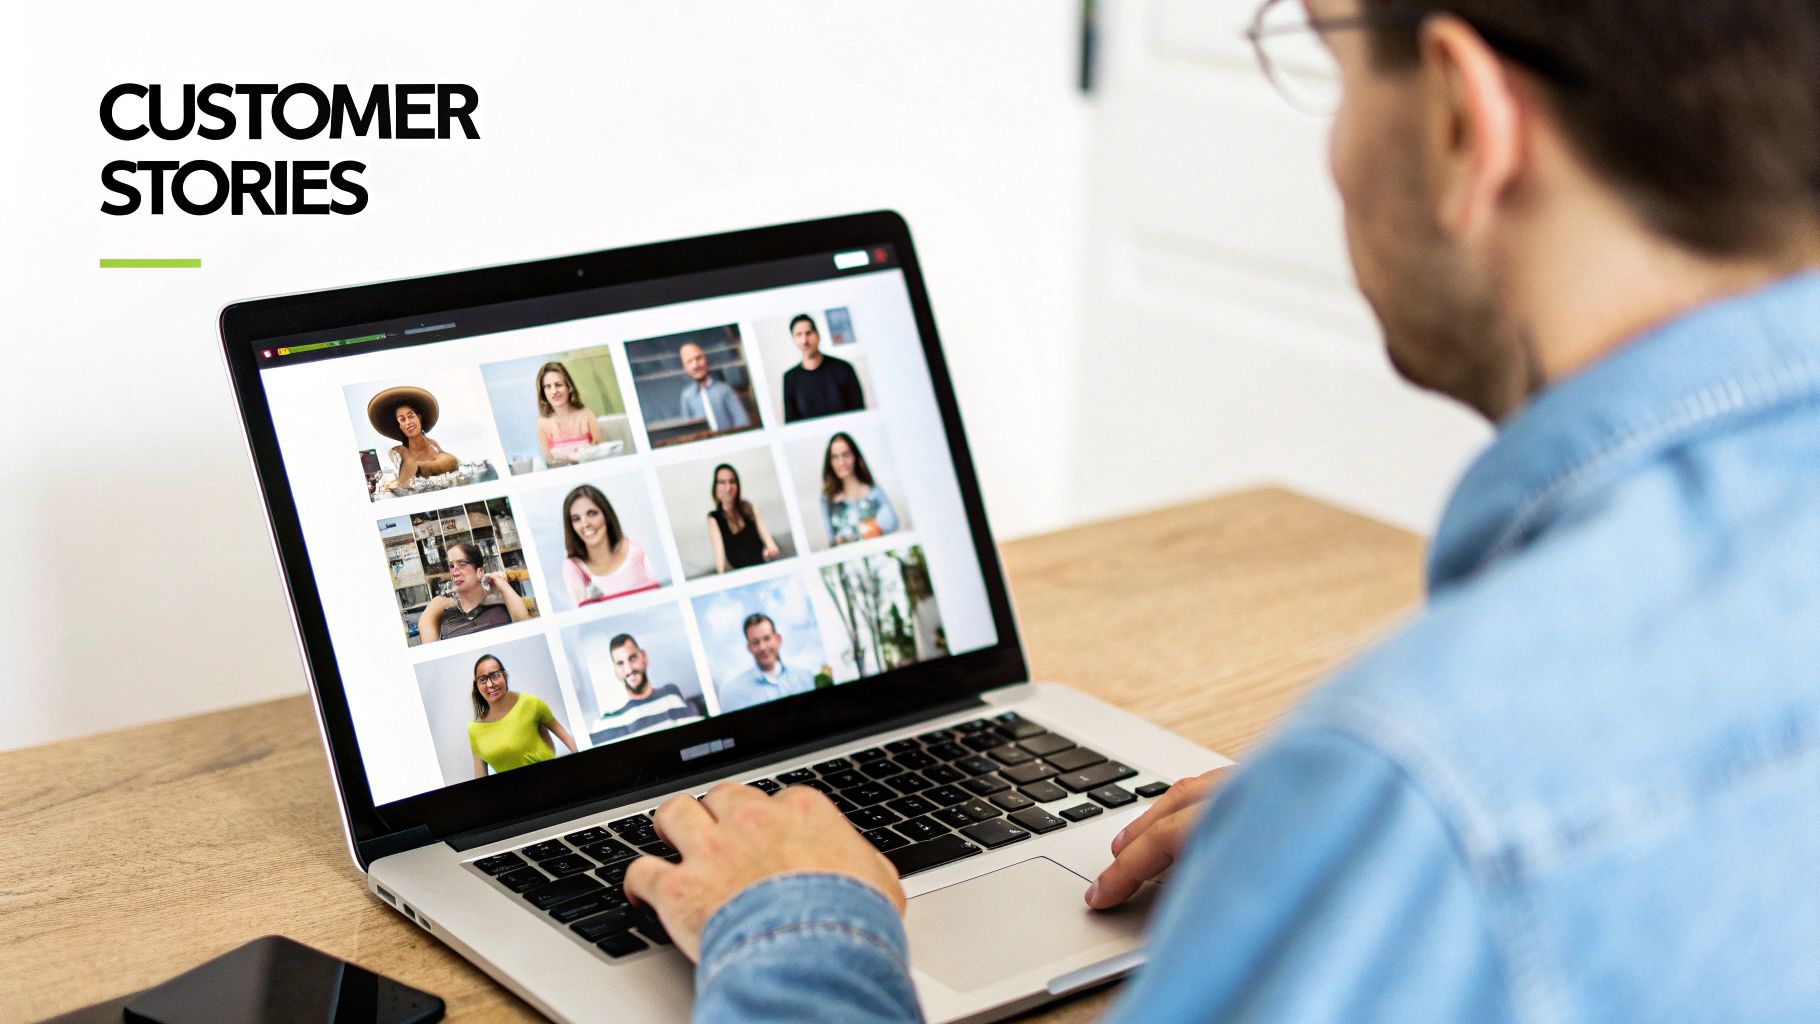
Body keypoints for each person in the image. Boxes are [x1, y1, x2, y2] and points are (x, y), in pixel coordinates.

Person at [619, 2, 1820, 1021]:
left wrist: (794, 931)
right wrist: (1321, 851)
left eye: (1329, 64)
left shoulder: (1416, 790)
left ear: (1461, 120)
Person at [467, 653, 576, 778]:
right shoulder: (474, 730)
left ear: (505, 675)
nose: (490, 684)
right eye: (483, 679)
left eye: (495, 675)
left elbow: (568, 740)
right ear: (477, 685)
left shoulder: (531, 703)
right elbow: (480, 780)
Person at [593, 633, 705, 743]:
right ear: (616, 671)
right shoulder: (608, 722)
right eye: (620, 663)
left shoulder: (671, 695)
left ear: (644, 657)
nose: (629, 670)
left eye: (632, 658)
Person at [560, 484, 659, 606]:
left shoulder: (636, 549)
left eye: (591, 514)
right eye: (576, 519)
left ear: (606, 515)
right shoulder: (573, 567)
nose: (585, 524)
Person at [418, 541, 532, 643]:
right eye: (452, 566)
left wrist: (499, 582)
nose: (454, 572)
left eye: (462, 564)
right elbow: (429, 648)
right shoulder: (440, 605)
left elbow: (525, 626)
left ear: (480, 571)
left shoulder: (500, 598)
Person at [714, 613, 818, 713]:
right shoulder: (735, 693)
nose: (763, 647)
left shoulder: (805, 677)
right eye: (755, 642)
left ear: (777, 639)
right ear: (749, 648)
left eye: (767, 638)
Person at [366, 385, 460, 491]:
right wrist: (407, 457)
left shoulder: (433, 444)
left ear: (419, 418)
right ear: (399, 426)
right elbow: (405, 485)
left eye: (411, 416)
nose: (408, 422)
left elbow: (455, 466)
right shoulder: (397, 452)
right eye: (402, 420)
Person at [818, 432, 899, 545]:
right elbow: (831, 540)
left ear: (855, 456)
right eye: (835, 457)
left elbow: (892, 524)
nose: (841, 462)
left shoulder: (873, 490)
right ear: (830, 462)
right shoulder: (827, 500)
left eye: (845, 455)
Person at [780, 314, 865, 422]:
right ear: (793, 339)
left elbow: (859, 412)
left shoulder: (843, 368)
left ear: (817, 335)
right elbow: (791, 422)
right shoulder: (790, 378)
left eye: (808, 333)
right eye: (799, 335)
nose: (804, 340)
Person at [705, 464, 779, 573]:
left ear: (737, 485)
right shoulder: (713, 518)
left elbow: (771, 545)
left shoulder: (750, 508)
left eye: (732, 481)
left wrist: (770, 551)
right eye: (722, 482)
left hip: (763, 569)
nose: (728, 488)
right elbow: (721, 565)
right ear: (715, 487)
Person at [534, 361, 603, 467]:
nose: (554, 391)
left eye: (558, 385)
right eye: (548, 387)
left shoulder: (587, 414)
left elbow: (600, 450)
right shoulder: (542, 423)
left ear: (569, 387)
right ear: (543, 393)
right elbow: (548, 461)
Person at [675, 341, 752, 434]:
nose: (695, 365)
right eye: (689, 361)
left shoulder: (724, 389)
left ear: (705, 360)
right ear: (685, 368)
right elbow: (688, 430)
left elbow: (742, 421)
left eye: (698, 358)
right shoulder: (687, 396)